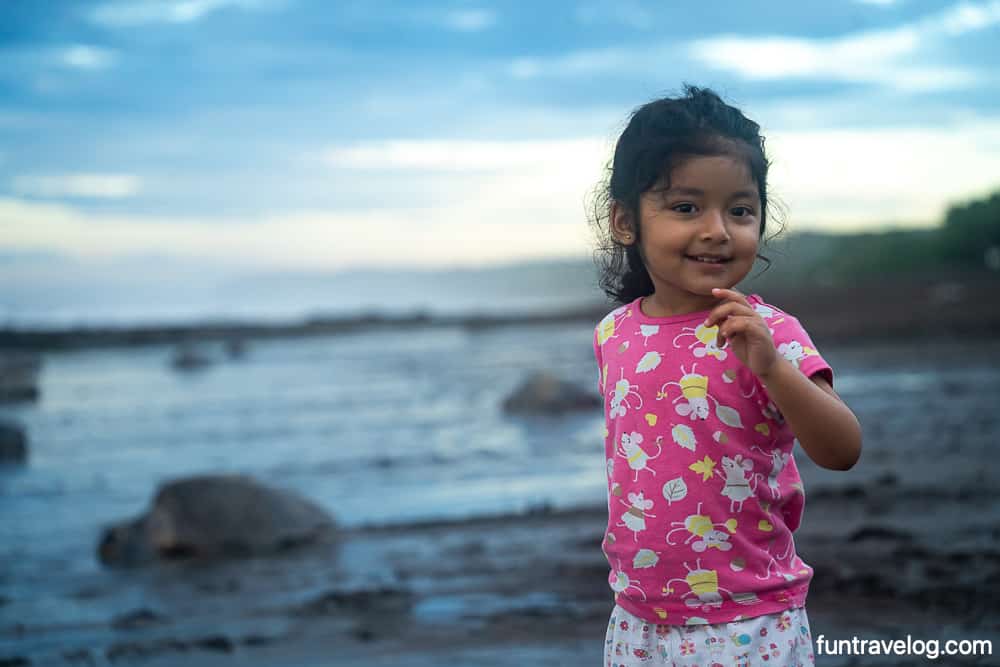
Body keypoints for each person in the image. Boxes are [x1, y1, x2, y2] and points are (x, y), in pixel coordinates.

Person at [590, 85, 862, 666]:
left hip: (750, 620)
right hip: (636, 618)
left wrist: (771, 367)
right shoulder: (615, 333)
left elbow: (842, 449)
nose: (717, 229)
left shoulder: (770, 332)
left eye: (740, 210)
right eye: (686, 207)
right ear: (625, 221)